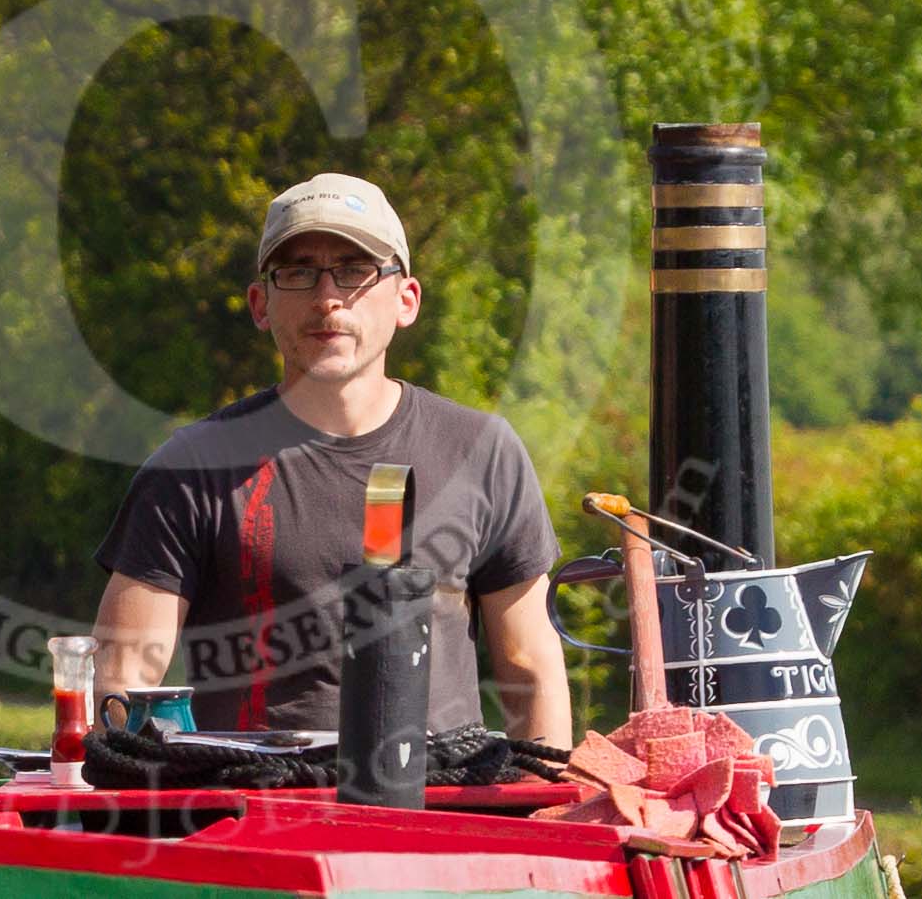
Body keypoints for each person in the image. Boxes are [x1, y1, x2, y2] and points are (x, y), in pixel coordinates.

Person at [91, 173, 572, 746]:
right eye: (297, 273)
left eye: (354, 270)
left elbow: (531, 669)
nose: (327, 298)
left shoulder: (481, 452)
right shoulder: (193, 469)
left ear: (406, 299)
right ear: (260, 303)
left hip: (440, 819)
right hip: (251, 819)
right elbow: (120, 678)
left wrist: (548, 818)